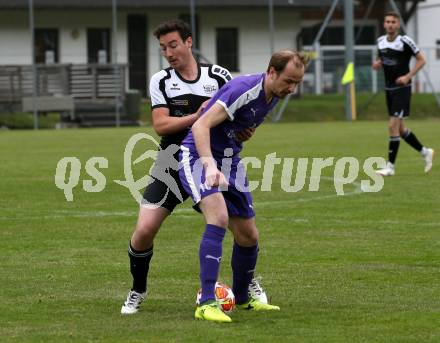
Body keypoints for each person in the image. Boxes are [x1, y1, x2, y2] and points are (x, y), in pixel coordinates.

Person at [121, 19, 258, 314]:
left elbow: (235, 116)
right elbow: (160, 124)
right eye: (163, 48)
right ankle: (137, 289)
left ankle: (248, 283)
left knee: (240, 229)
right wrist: (197, 117)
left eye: (173, 45)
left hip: (206, 162)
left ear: (188, 42)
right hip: (170, 164)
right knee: (144, 230)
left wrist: (244, 130)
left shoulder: (219, 76)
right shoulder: (161, 80)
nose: (168, 53)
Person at [179, 50, 309, 322]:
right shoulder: (244, 89)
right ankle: (206, 303)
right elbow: (201, 126)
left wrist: (240, 133)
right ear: (271, 72)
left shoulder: (273, 95)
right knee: (218, 218)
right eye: (289, 81)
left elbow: (234, 126)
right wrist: (210, 167)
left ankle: (243, 299)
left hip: (230, 159)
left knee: (249, 235)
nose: (292, 88)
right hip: (197, 157)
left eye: (297, 83)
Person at [373, 11, 434, 176]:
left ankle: (390, 168)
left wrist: (408, 76)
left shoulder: (405, 41)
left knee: (392, 126)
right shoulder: (380, 41)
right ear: (384, 24)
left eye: (393, 22)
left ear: (398, 25)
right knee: (400, 130)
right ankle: (425, 152)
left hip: (402, 90)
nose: (390, 24)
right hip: (389, 89)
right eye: (387, 21)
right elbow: (382, 59)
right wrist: (378, 64)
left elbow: (422, 60)